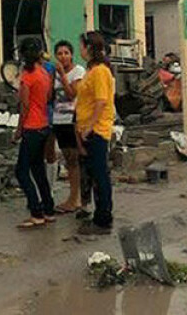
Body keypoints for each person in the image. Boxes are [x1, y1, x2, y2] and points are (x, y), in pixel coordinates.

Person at [75, 32, 115, 235]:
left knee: (100, 175)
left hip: (97, 130)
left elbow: (101, 101)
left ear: (89, 48)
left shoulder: (100, 71)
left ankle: (103, 218)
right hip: (88, 129)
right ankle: (101, 215)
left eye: (81, 46)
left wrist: (90, 125)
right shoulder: (92, 71)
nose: (79, 50)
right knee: (95, 173)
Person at [14, 38, 55, 228]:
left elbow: (25, 106)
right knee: (38, 170)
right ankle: (48, 209)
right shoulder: (44, 73)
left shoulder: (27, 76)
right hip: (44, 125)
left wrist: (18, 130)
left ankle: (36, 211)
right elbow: (47, 98)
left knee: (22, 172)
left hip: (31, 126)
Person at [51, 40, 86, 214]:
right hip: (58, 120)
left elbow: (72, 94)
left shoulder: (78, 71)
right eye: (59, 53)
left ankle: (76, 198)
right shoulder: (55, 74)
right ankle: (73, 197)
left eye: (66, 53)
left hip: (72, 120)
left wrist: (63, 76)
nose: (63, 56)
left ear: (72, 55)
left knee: (74, 160)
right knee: (68, 160)